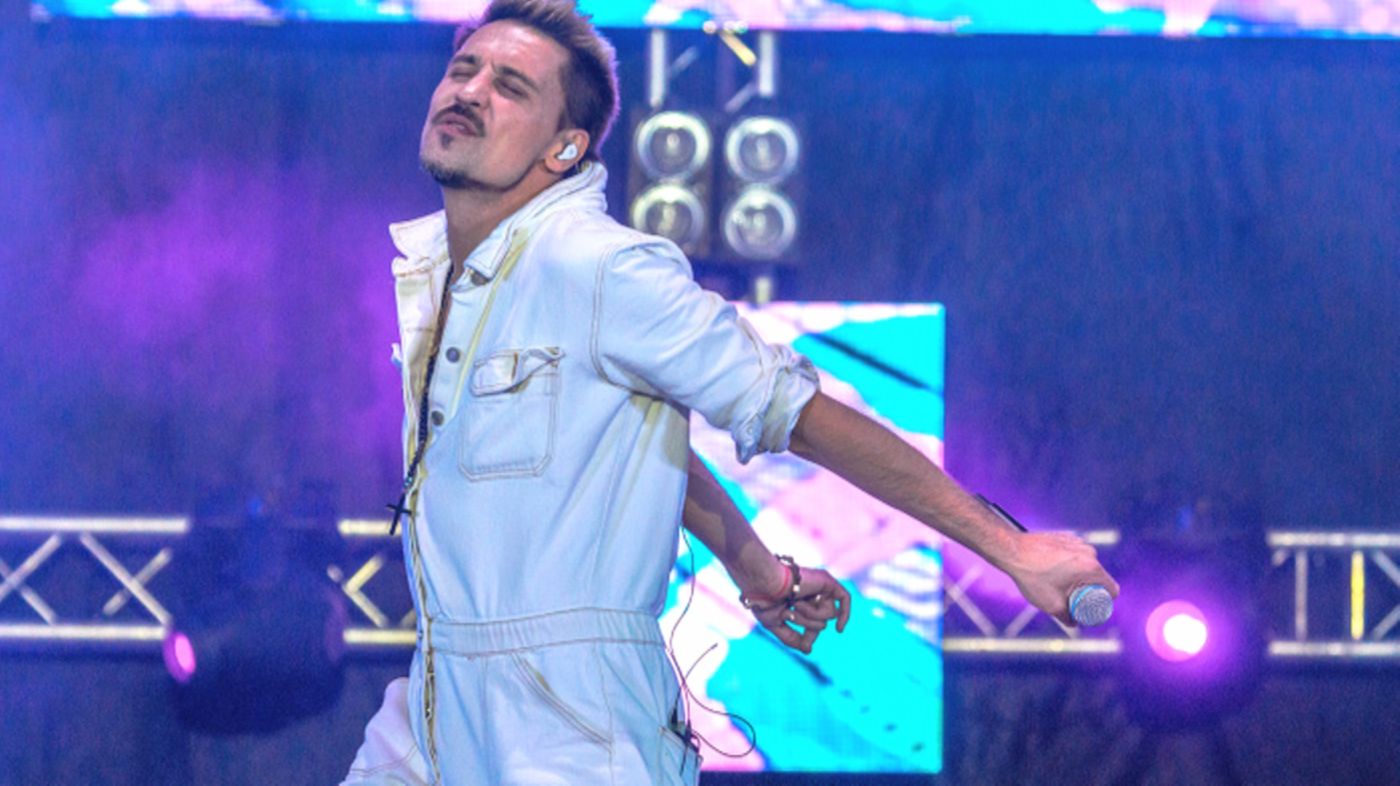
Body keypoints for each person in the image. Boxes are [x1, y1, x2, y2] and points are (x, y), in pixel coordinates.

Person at [342, 2, 1118, 783]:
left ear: (564, 147)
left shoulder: (601, 266)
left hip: (567, 722)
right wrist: (758, 571)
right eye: (464, 69)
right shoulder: (448, 277)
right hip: (435, 696)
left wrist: (1009, 548)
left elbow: (798, 413)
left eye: (510, 86)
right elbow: (634, 446)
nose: (471, 91)